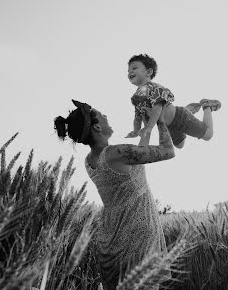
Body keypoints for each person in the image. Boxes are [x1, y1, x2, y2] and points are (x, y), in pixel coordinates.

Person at [54, 99, 174, 290]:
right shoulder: (116, 152)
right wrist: (159, 120)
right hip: (137, 242)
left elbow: (137, 161)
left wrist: (147, 127)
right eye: (102, 115)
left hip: (112, 243)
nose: (106, 117)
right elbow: (168, 151)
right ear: (96, 127)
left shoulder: (90, 160)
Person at [125, 53, 222, 149]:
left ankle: (207, 105)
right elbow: (138, 116)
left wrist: (149, 127)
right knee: (180, 145)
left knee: (208, 135)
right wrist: (136, 130)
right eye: (128, 70)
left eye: (134, 68)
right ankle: (189, 111)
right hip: (170, 126)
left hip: (181, 117)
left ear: (149, 72)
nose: (130, 72)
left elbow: (157, 108)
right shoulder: (136, 97)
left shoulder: (154, 88)